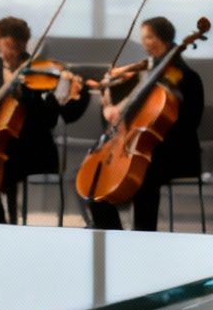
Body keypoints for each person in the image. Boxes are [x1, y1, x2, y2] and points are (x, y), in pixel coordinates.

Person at [0, 17, 87, 224]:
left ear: (23, 43)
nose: (4, 54)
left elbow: (55, 118)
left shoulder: (40, 73)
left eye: (9, 48)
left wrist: (60, 92)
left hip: (30, 150)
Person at [86, 16, 204, 232]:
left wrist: (150, 132)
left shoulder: (187, 78)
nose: (144, 42)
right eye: (143, 37)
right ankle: (114, 237)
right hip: (138, 147)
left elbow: (190, 123)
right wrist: (111, 110)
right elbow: (123, 116)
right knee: (96, 186)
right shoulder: (145, 74)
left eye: (148, 37)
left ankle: (144, 233)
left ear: (162, 39)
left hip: (174, 152)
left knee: (144, 176)